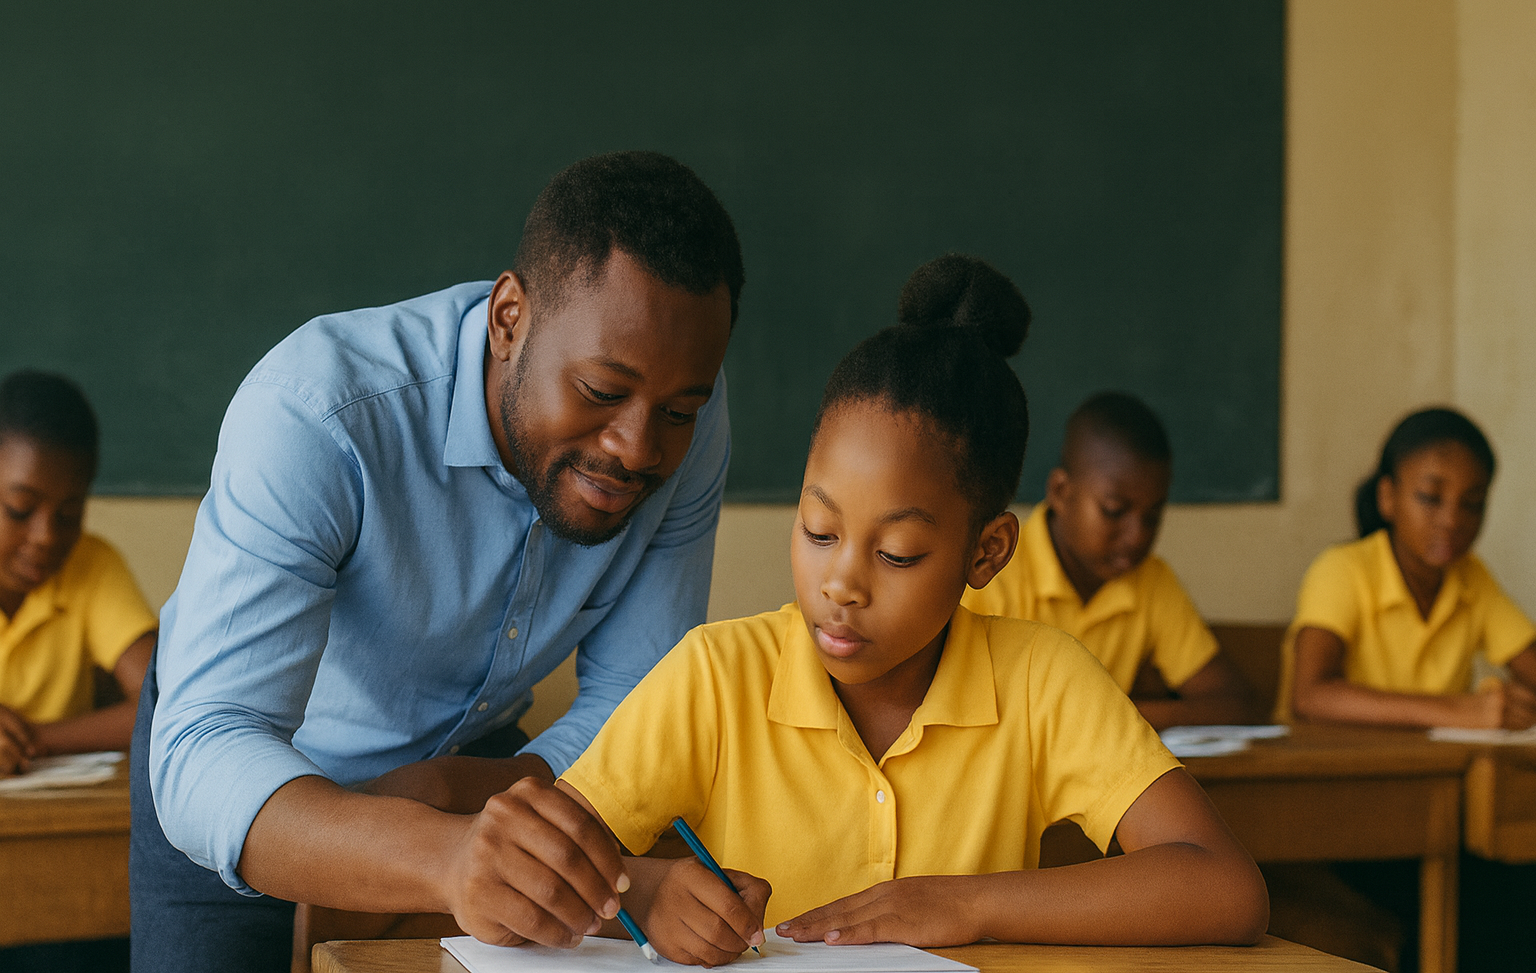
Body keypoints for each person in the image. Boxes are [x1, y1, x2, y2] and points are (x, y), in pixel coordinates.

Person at [556, 255, 1268, 965]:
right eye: (818, 530)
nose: (841, 584)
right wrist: (645, 892)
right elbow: (544, 860)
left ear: (986, 553)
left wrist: (967, 901)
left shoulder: (1040, 679)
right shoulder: (716, 675)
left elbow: (1224, 887)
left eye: (896, 554)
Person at [132, 151, 744, 972]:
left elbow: (639, 702)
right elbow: (209, 745)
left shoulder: (689, 422)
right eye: (601, 392)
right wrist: (448, 853)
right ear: (508, 318)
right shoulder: (318, 413)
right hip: (253, 778)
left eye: (675, 410)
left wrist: (472, 793)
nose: (637, 448)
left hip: (487, 775)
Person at [962, 389, 1259, 728]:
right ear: (1061, 491)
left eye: (1152, 517)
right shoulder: (991, 571)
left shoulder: (1149, 579)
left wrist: (1115, 718)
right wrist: (1115, 716)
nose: (1138, 536)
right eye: (1114, 511)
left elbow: (1234, 703)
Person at [1281, 406, 1536, 727]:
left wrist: (1516, 705)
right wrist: (1459, 711)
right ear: (1387, 497)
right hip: (1325, 770)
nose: (1452, 521)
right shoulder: (1342, 569)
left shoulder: (1472, 578)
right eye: (1431, 498)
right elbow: (1309, 697)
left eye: (1471, 503)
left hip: (1428, 770)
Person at [0, 370, 156, 774]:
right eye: (20, 508)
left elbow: (161, 699)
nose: (46, 537)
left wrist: (31, 738)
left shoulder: (92, 565)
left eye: (69, 514)